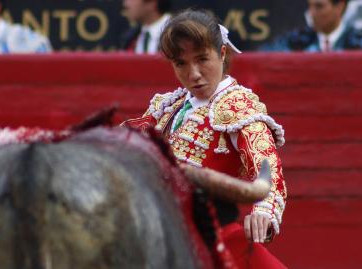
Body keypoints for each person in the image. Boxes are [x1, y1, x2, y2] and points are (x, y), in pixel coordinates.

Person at [123, 9, 287, 268]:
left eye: (202, 59)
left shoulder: (238, 107)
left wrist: (264, 211)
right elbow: (124, 144)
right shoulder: (168, 106)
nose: (194, 73)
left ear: (222, 54)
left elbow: (266, 164)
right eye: (181, 64)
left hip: (214, 239)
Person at [262, 0, 362, 52]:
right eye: (310, 6)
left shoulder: (361, 42)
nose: (311, 13)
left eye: (319, 6)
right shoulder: (294, 41)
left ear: (340, 6)